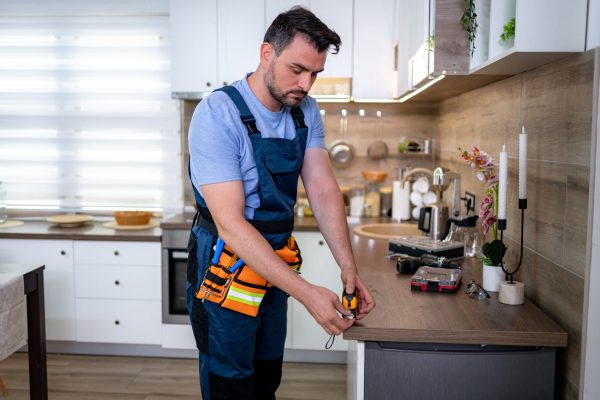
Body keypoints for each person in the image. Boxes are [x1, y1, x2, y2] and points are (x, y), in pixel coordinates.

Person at [186, 6, 375, 400]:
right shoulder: (218, 114)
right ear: (267, 53)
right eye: (297, 69)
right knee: (230, 379)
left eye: (315, 74)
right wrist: (308, 294)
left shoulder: (304, 111)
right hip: (226, 257)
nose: (306, 85)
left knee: (266, 373)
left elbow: (322, 189)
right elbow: (231, 225)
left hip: (275, 257)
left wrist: (348, 268)